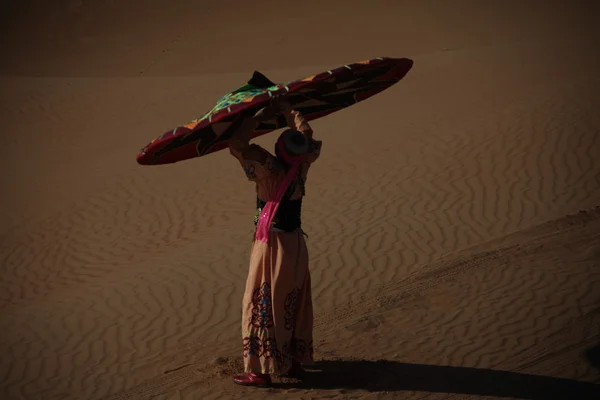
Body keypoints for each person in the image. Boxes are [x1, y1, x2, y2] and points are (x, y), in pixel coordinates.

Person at [228, 99, 322, 387]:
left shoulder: (267, 168)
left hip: (271, 246)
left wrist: (259, 117)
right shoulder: (303, 164)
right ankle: (293, 362)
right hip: (295, 245)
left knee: (260, 301)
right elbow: (307, 138)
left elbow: (237, 146)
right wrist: (292, 113)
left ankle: (260, 370)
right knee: (291, 301)